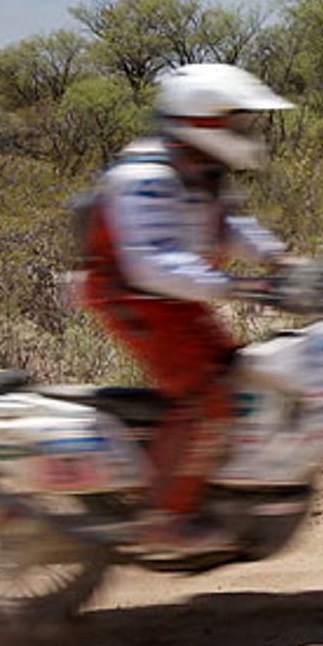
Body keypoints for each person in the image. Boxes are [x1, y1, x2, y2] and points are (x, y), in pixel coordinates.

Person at [76, 62, 297, 556]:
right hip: (134, 298)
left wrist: (280, 258)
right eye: (236, 121)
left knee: (240, 375)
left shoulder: (197, 169)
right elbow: (151, 262)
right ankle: (165, 517)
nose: (245, 131)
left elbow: (229, 228)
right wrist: (236, 285)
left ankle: (207, 485)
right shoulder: (146, 176)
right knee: (205, 392)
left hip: (173, 300)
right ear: (203, 120)